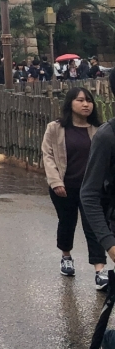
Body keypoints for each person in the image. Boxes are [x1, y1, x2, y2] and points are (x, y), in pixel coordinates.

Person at [44, 88, 106, 289]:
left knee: (94, 227)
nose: (86, 104)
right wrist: (56, 182)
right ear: (70, 103)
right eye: (80, 100)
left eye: (89, 100)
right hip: (64, 187)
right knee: (67, 222)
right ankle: (66, 256)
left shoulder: (99, 130)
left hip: (91, 190)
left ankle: (99, 270)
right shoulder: (55, 128)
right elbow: (48, 155)